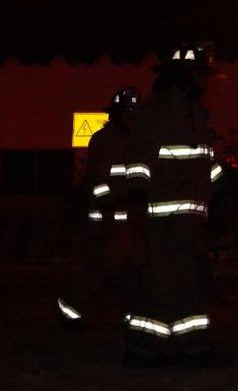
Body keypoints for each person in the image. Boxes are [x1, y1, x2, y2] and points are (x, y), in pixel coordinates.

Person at [119, 43, 232, 369]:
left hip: (187, 218)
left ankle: (143, 351)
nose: (204, 82)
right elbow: (138, 158)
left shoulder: (193, 113)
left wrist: (224, 185)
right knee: (179, 286)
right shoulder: (158, 111)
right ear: (183, 76)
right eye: (199, 75)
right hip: (164, 217)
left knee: (167, 285)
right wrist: (140, 199)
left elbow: (201, 160)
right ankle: (191, 351)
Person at [56, 86, 139, 331]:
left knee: (131, 271)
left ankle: (133, 318)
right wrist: (109, 205)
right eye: (130, 112)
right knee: (103, 269)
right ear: (119, 113)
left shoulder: (129, 140)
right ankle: (69, 308)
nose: (134, 117)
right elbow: (99, 179)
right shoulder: (106, 140)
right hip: (110, 218)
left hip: (126, 218)